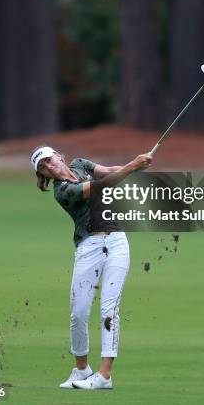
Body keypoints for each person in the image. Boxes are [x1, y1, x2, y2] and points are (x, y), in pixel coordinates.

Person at [30, 145, 152, 390]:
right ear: (44, 175)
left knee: (109, 309)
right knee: (79, 312)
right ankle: (82, 369)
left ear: (58, 156)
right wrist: (132, 166)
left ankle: (104, 376)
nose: (48, 166)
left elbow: (107, 172)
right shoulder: (62, 191)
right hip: (89, 246)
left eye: (48, 160)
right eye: (42, 167)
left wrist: (137, 169)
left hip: (117, 241)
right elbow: (99, 188)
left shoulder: (80, 164)